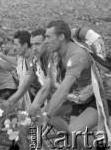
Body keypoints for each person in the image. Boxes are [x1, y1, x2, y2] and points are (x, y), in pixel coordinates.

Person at [38, 20, 111, 150]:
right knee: (75, 137)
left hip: (104, 93)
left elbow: (63, 89)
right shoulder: (60, 53)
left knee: (75, 130)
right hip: (86, 94)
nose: (45, 41)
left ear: (61, 37)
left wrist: (46, 115)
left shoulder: (77, 56)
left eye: (48, 37)